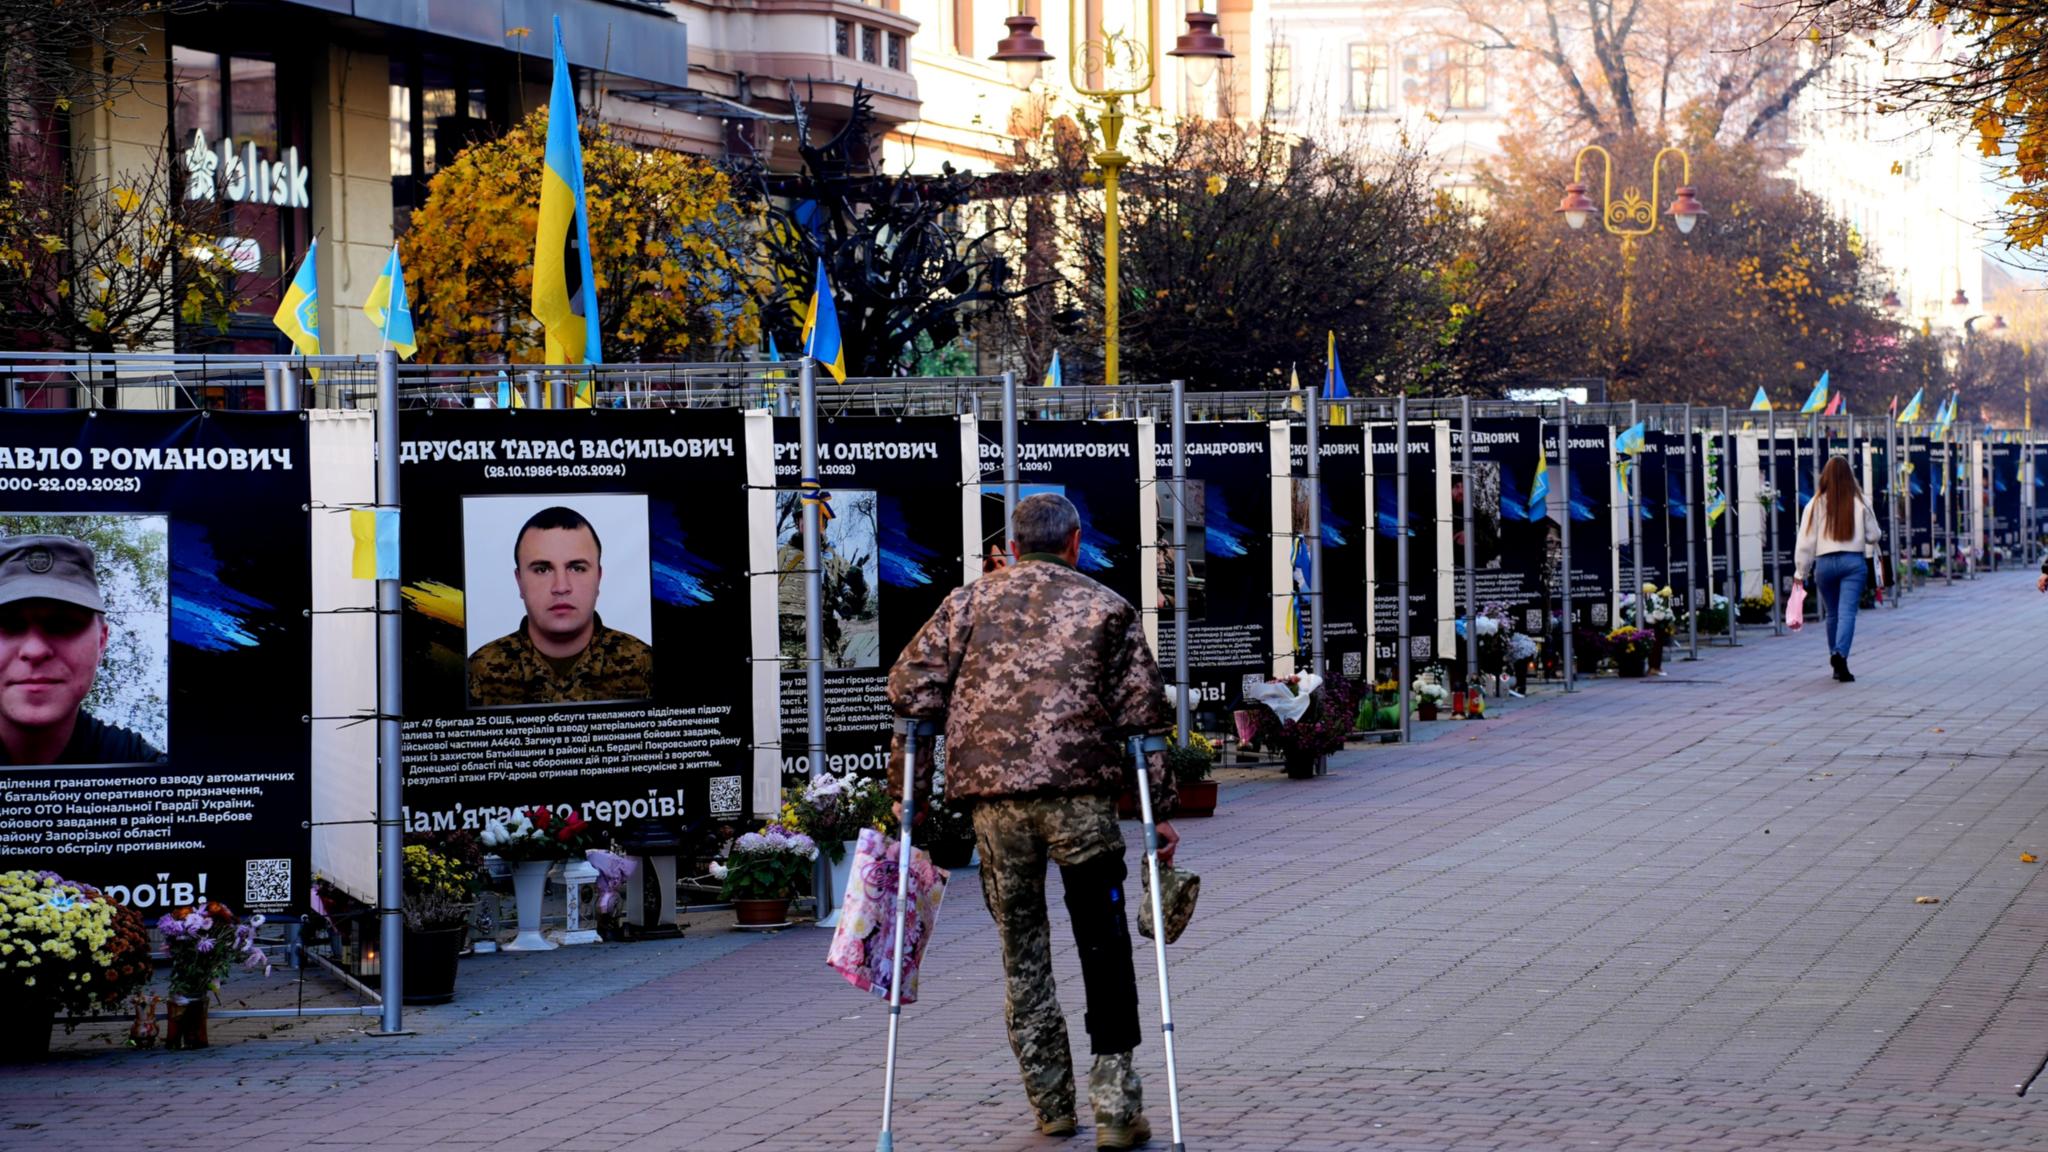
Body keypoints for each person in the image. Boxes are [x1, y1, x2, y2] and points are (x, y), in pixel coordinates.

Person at [889, 493, 1177, 1150]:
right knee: (1102, 947)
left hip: (995, 804)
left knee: (1023, 955)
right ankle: (1115, 1105)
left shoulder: (965, 604)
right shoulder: (1107, 607)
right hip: (1080, 797)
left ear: (1012, 547)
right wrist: (1158, 815)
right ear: (1075, 543)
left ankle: (1050, 1102)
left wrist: (911, 791)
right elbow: (1144, 721)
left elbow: (911, 696)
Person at [0, 534, 164, 765]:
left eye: (63, 625)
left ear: (101, 643)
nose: (35, 650)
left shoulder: (140, 766)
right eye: (8, 625)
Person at [469, 506, 652, 705]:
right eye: (542, 570)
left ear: (598, 578)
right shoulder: (479, 670)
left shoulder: (645, 664)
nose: (561, 587)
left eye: (577, 568)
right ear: (519, 581)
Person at [1793, 457, 1883, 683]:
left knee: (1832, 614)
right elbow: (1874, 535)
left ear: (1825, 476)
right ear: (1849, 477)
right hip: (1852, 562)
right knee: (1847, 613)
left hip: (1824, 563)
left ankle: (1836, 660)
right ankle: (1840, 655)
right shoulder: (1859, 501)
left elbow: (1805, 540)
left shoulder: (1814, 504)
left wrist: (1800, 572)